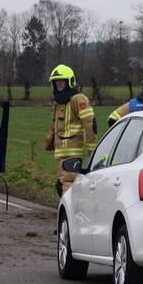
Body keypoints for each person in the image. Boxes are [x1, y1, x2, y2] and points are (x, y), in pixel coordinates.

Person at [45, 64, 96, 197]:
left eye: (61, 82)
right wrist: (50, 138)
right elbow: (55, 123)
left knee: (67, 184)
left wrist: (92, 148)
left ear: (69, 82)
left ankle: (69, 214)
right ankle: (69, 212)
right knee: (61, 185)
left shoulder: (78, 99)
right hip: (60, 153)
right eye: (56, 82)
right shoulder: (59, 103)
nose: (59, 85)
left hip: (73, 153)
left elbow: (89, 123)